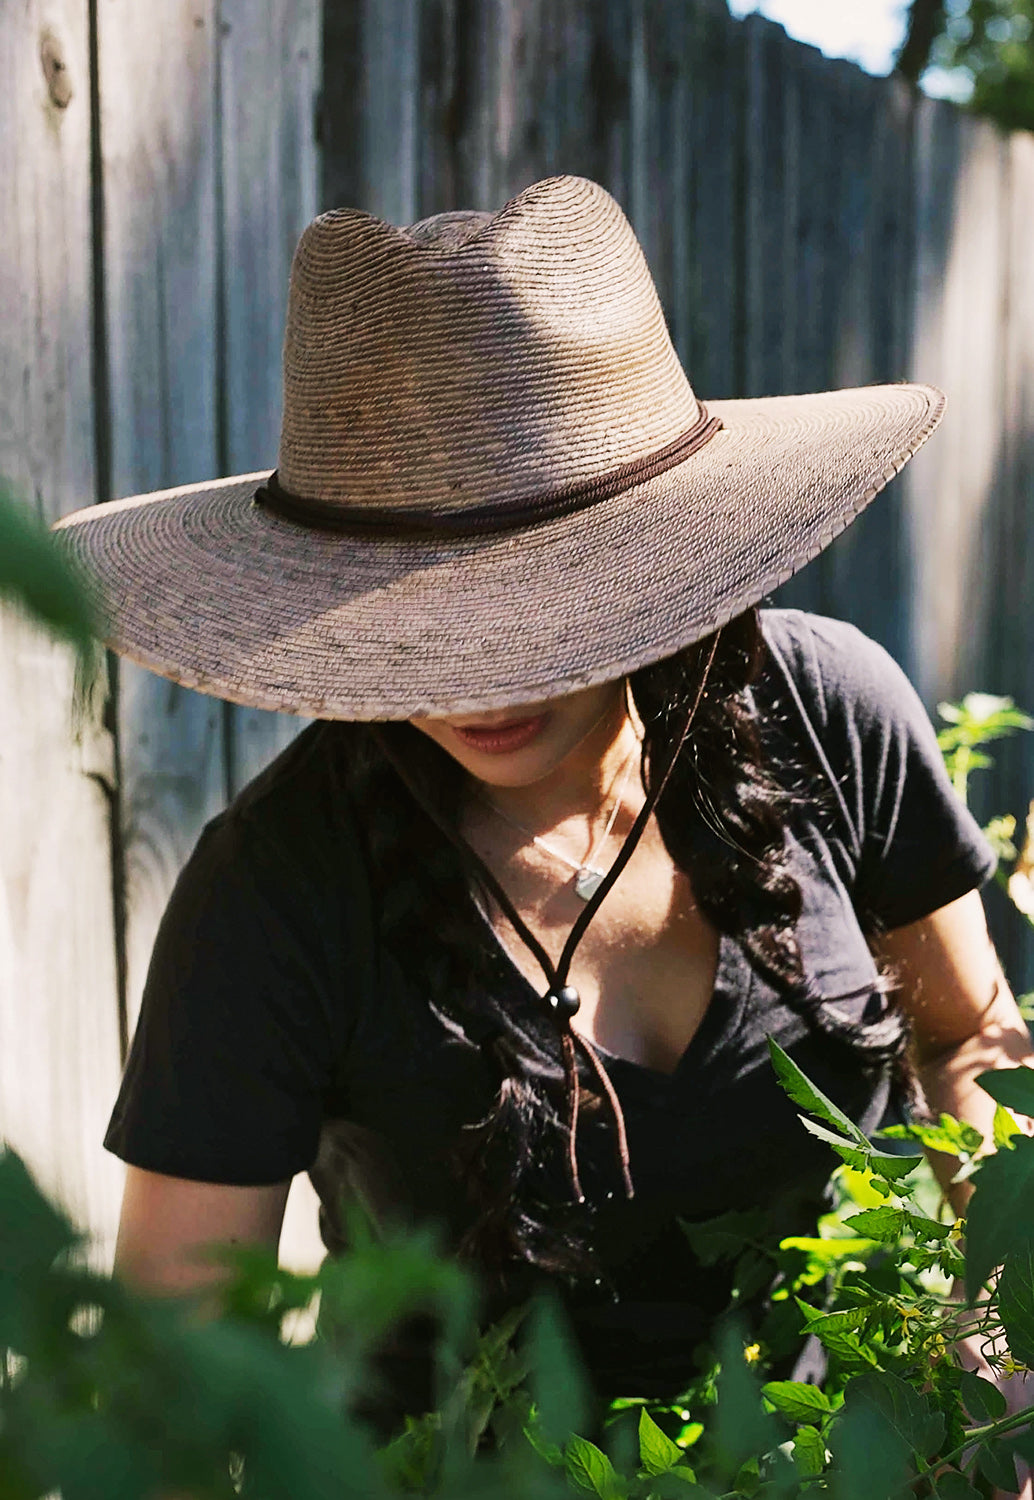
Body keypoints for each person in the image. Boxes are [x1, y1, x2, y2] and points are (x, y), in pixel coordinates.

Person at [57, 177, 1034, 1420]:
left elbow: (967, 1039)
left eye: (537, 598)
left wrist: (1003, 1356)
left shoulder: (827, 714)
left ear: (649, 549)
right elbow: (168, 1388)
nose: (477, 680)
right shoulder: (275, 888)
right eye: (406, 616)